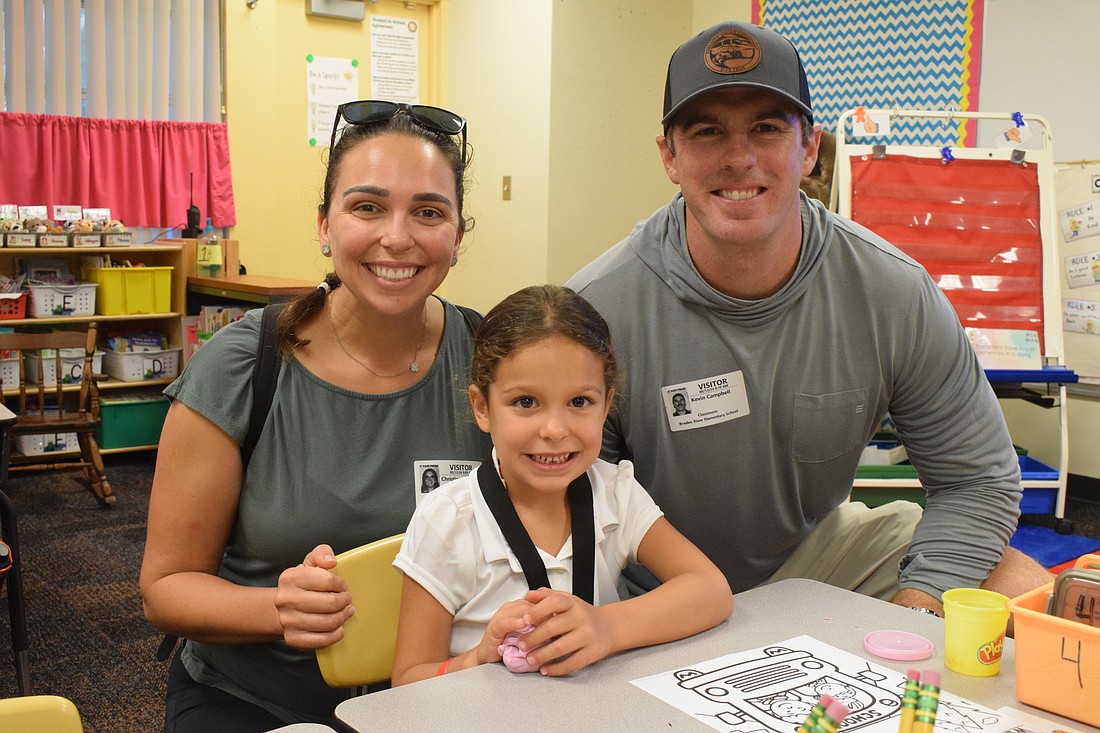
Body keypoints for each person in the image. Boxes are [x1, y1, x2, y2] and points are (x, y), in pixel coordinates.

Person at [566, 21, 1052, 619]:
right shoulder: (595, 310)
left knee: (1022, 588)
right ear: (669, 155)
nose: (739, 158)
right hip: (650, 587)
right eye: (707, 131)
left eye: (766, 129)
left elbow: (978, 481)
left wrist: (917, 611)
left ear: (810, 147)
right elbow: (562, 506)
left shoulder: (892, 292)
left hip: (819, 561)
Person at [139, 100, 492, 731]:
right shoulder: (243, 366)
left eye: (429, 213)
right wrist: (280, 608)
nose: (398, 237)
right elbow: (166, 588)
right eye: (367, 206)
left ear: (458, 236)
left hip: (445, 696)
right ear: (324, 225)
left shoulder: (494, 363)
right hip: (255, 702)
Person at [389, 285, 733, 685]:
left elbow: (711, 589)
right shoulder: (447, 521)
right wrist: (478, 658)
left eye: (580, 402)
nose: (554, 430)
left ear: (607, 405)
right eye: (525, 402)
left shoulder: (615, 492)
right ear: (482, 407)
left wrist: (607, 626)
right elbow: (408, 680)